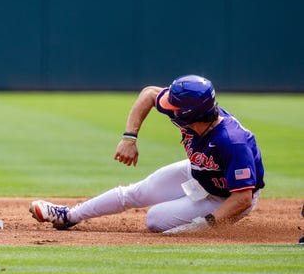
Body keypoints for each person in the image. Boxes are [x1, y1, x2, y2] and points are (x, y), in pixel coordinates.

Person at [30, 74, 265, 234]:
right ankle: (68, 216)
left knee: (156, 220)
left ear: (190, 112)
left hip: (226, 197)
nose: (169, 108)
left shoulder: (233, 142)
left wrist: (208, 224)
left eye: (175, 107)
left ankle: (194, 213)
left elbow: (242, 198)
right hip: (199, 171)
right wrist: (129, 138)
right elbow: (150, 94)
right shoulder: (194, 116)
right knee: (136, 192)